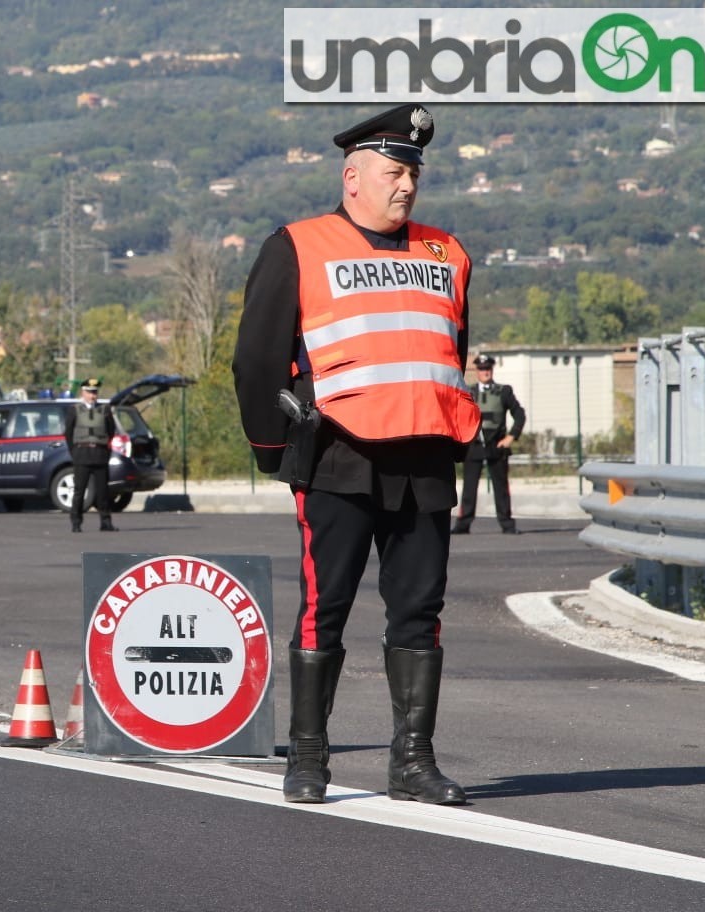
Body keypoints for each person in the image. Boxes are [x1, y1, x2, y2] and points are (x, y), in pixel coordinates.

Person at [232, 104, 480, 806]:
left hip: (425, 459)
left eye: (414, 174)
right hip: (339, 458)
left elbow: (449, 354)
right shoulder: (298, 245)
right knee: (325, 610)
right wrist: (273, 452)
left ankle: (412, 763)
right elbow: (257, 362)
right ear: (353, 176)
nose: (408, 185)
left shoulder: (450, 253)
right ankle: (308, 759)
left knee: (420, 613)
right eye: (395, 172)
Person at [452, 354, 526, 535]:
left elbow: (519, 414)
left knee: (501, 487)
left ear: (492, 370)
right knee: (469, 487)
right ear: (476, 371)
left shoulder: (504, 392)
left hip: (496, 444)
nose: (485, 372)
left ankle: (507, 524)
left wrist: (511, 437)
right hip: (475, 445)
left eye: (488, 369)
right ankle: (463, 524)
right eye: (482, 369)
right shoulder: (468, 393)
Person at [63, 377, 117, 533]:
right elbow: (68, 433)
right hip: (82, 454)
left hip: (100, 454)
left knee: (103, 491)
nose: (93, 395)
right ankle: (76, 522)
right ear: (83, 392)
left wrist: (106, 451)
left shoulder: (105, 410)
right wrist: (74, 452)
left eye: (95, 392)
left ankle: (106, 522)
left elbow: (111, 431)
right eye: (89, 392)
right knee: (79, 490)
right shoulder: (74, 410)